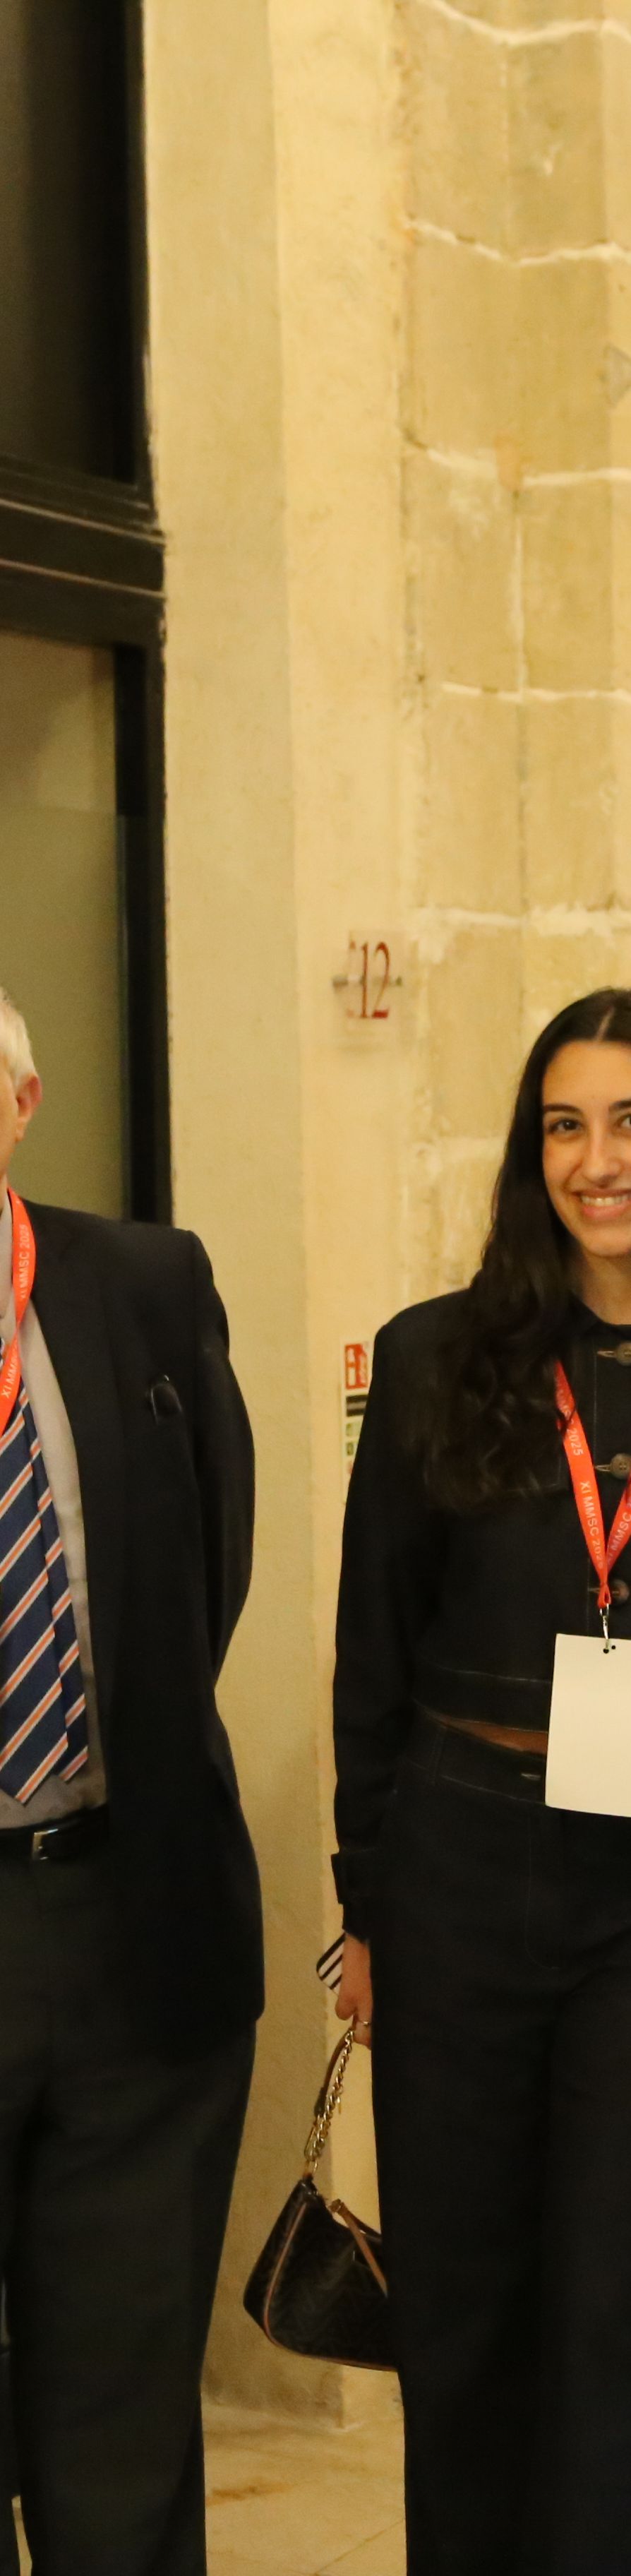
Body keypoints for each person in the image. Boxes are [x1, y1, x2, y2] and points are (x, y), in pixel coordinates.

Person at [332, 984, 631, 2576]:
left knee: (607, 2306)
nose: (598, 1161)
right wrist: (363, 1903)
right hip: (462, 1860)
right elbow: (372, 1654)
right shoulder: (436, 1357)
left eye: (629, 1123)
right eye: (565, 1125)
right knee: (463, 2302)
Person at [0, 988, 263, 2576]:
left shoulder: (145, 1284)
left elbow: (206, 1561)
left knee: (122, 2427)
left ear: (22, 1104)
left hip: (130, 1915)